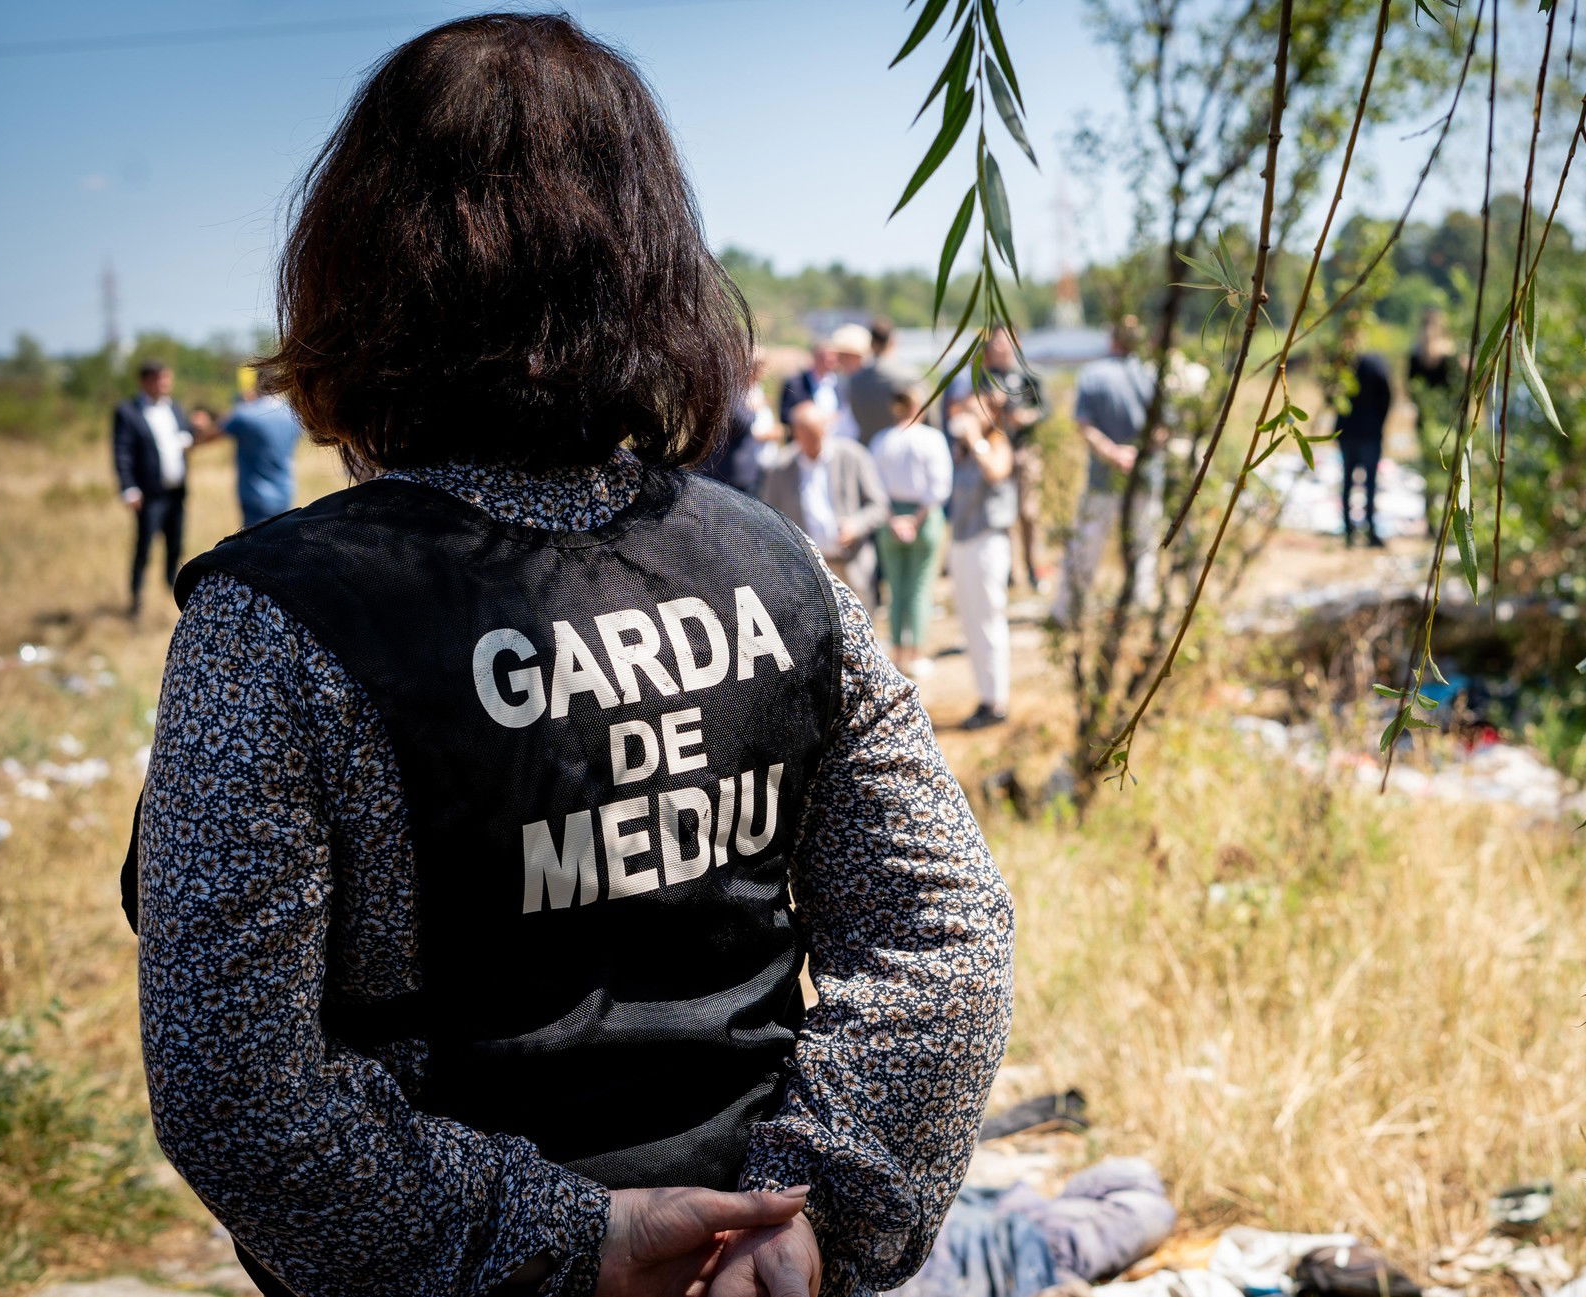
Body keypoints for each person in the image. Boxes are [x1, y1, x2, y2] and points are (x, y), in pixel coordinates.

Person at [125, 16, 1012, 1297]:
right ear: (650, 263)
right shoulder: (777, 568)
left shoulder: (278, 619)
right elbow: (942, 928)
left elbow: (234, 1088)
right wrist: (808, 1212)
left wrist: (572, 1245)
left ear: (358, 265)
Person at [1054, 316, 1160, 623]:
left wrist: (1114, 453)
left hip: (1111, 476)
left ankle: (1069, 612)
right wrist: (1130, 454)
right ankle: (1137, 610)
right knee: (1144, 547)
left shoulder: (1095, 374)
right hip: (1142, 473)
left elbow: (1084, 426)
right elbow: (1163, 428)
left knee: (1088, 544)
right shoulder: (1149, 373)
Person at [759, 401, 890, 609]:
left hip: (852, 565)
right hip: (807, 571)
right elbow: (768, 519)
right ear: (796, 434)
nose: (813, 444)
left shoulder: (853, 456)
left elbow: (879, 505)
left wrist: (856, 525)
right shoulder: (781, 468)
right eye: (806, 437)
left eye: (817, 436)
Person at [943, 328, 1045, 591]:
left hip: (1022, 452)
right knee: (1000, 512)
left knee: (1028, 512)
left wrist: (1022, 417)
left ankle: (1033, 568)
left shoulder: (1026, 374)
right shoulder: (982, 377)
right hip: (994, 448)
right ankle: (1008, 570)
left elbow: (1043, 410)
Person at [867, 386, 952, 678]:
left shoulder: (882, 440)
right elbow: (939, 486)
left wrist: (893, 519)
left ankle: (899, 654)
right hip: (922, 516)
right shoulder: (931, 439)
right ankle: (913, 653)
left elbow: (874, 485)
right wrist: (915, 520)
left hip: (890, 516)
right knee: (919, 587)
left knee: (895, 588)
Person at [946, 402, 1015, 729]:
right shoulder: (960, 452)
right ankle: (985, 696)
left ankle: (997, 700)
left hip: (988, 541)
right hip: (962, 542)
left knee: (989, 618)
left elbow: (996, 472)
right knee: (971, 622)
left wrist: (976, 439)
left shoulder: (997, 443)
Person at [110, 360, 197, 617]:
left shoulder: (174, 408)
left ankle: (173, 595)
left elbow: (186, 433)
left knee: (176, 545)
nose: (166, 384)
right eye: (161, 379)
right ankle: (136, 600)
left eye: (167, 379)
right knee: (144, 547)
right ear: (145, 381)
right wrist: (129, 488)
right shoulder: (128, 411)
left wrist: (191, 435)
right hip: (150, 495)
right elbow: (122, 452)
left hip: (176, 492)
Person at [1333, 318, 1393, 549]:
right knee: (1367, 483)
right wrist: (1379, 422)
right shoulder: (1375, 364)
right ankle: (1367, 530)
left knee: (1349, 480)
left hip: (1349, 432)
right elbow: (1386, 397)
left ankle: (1350, 530)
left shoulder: (1340, 367)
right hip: (1367, 432)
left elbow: (1332, 399)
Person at [219, 373, 305, 527]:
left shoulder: (246, 414)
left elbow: (221, 429)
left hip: (255, 494)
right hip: (285, 491)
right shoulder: (293, 415)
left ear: (257, 384)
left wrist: (242, 402)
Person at [1405, 308, 1459, 536]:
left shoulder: (1415, 355)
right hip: (1449, 422)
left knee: (1429, 474)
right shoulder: (1450, 356)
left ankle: (1430, 522)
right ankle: (1449, 520)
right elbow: (1459, 390)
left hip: (1425, 422)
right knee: (1451, 473)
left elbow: (1410, 391)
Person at [700, 349, 781, 496]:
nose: (760, 372)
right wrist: (753, 411)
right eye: (757, 366)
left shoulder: (757, 390)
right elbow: (739, 424)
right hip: (731, 470)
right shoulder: (732, 389)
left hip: (756, 465)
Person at [845, 317, 914, 448]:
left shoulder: (855, 381)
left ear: (871, 343)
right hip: (897, 451)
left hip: (866, 449)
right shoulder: (906, 377)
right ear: (892, 341)